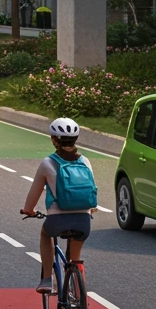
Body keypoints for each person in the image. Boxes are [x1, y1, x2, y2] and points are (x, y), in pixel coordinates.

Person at [20, 117, 98, 293]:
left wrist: (29, 210)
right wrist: (91, 208)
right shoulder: (85, 161)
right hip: (83, 220)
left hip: (57, 220)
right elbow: (91, 188)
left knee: (45, 234)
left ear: (54, 140)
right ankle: (81, 303)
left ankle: (47, 279)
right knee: (75, 259)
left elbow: (34, 195)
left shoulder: (47, 163)